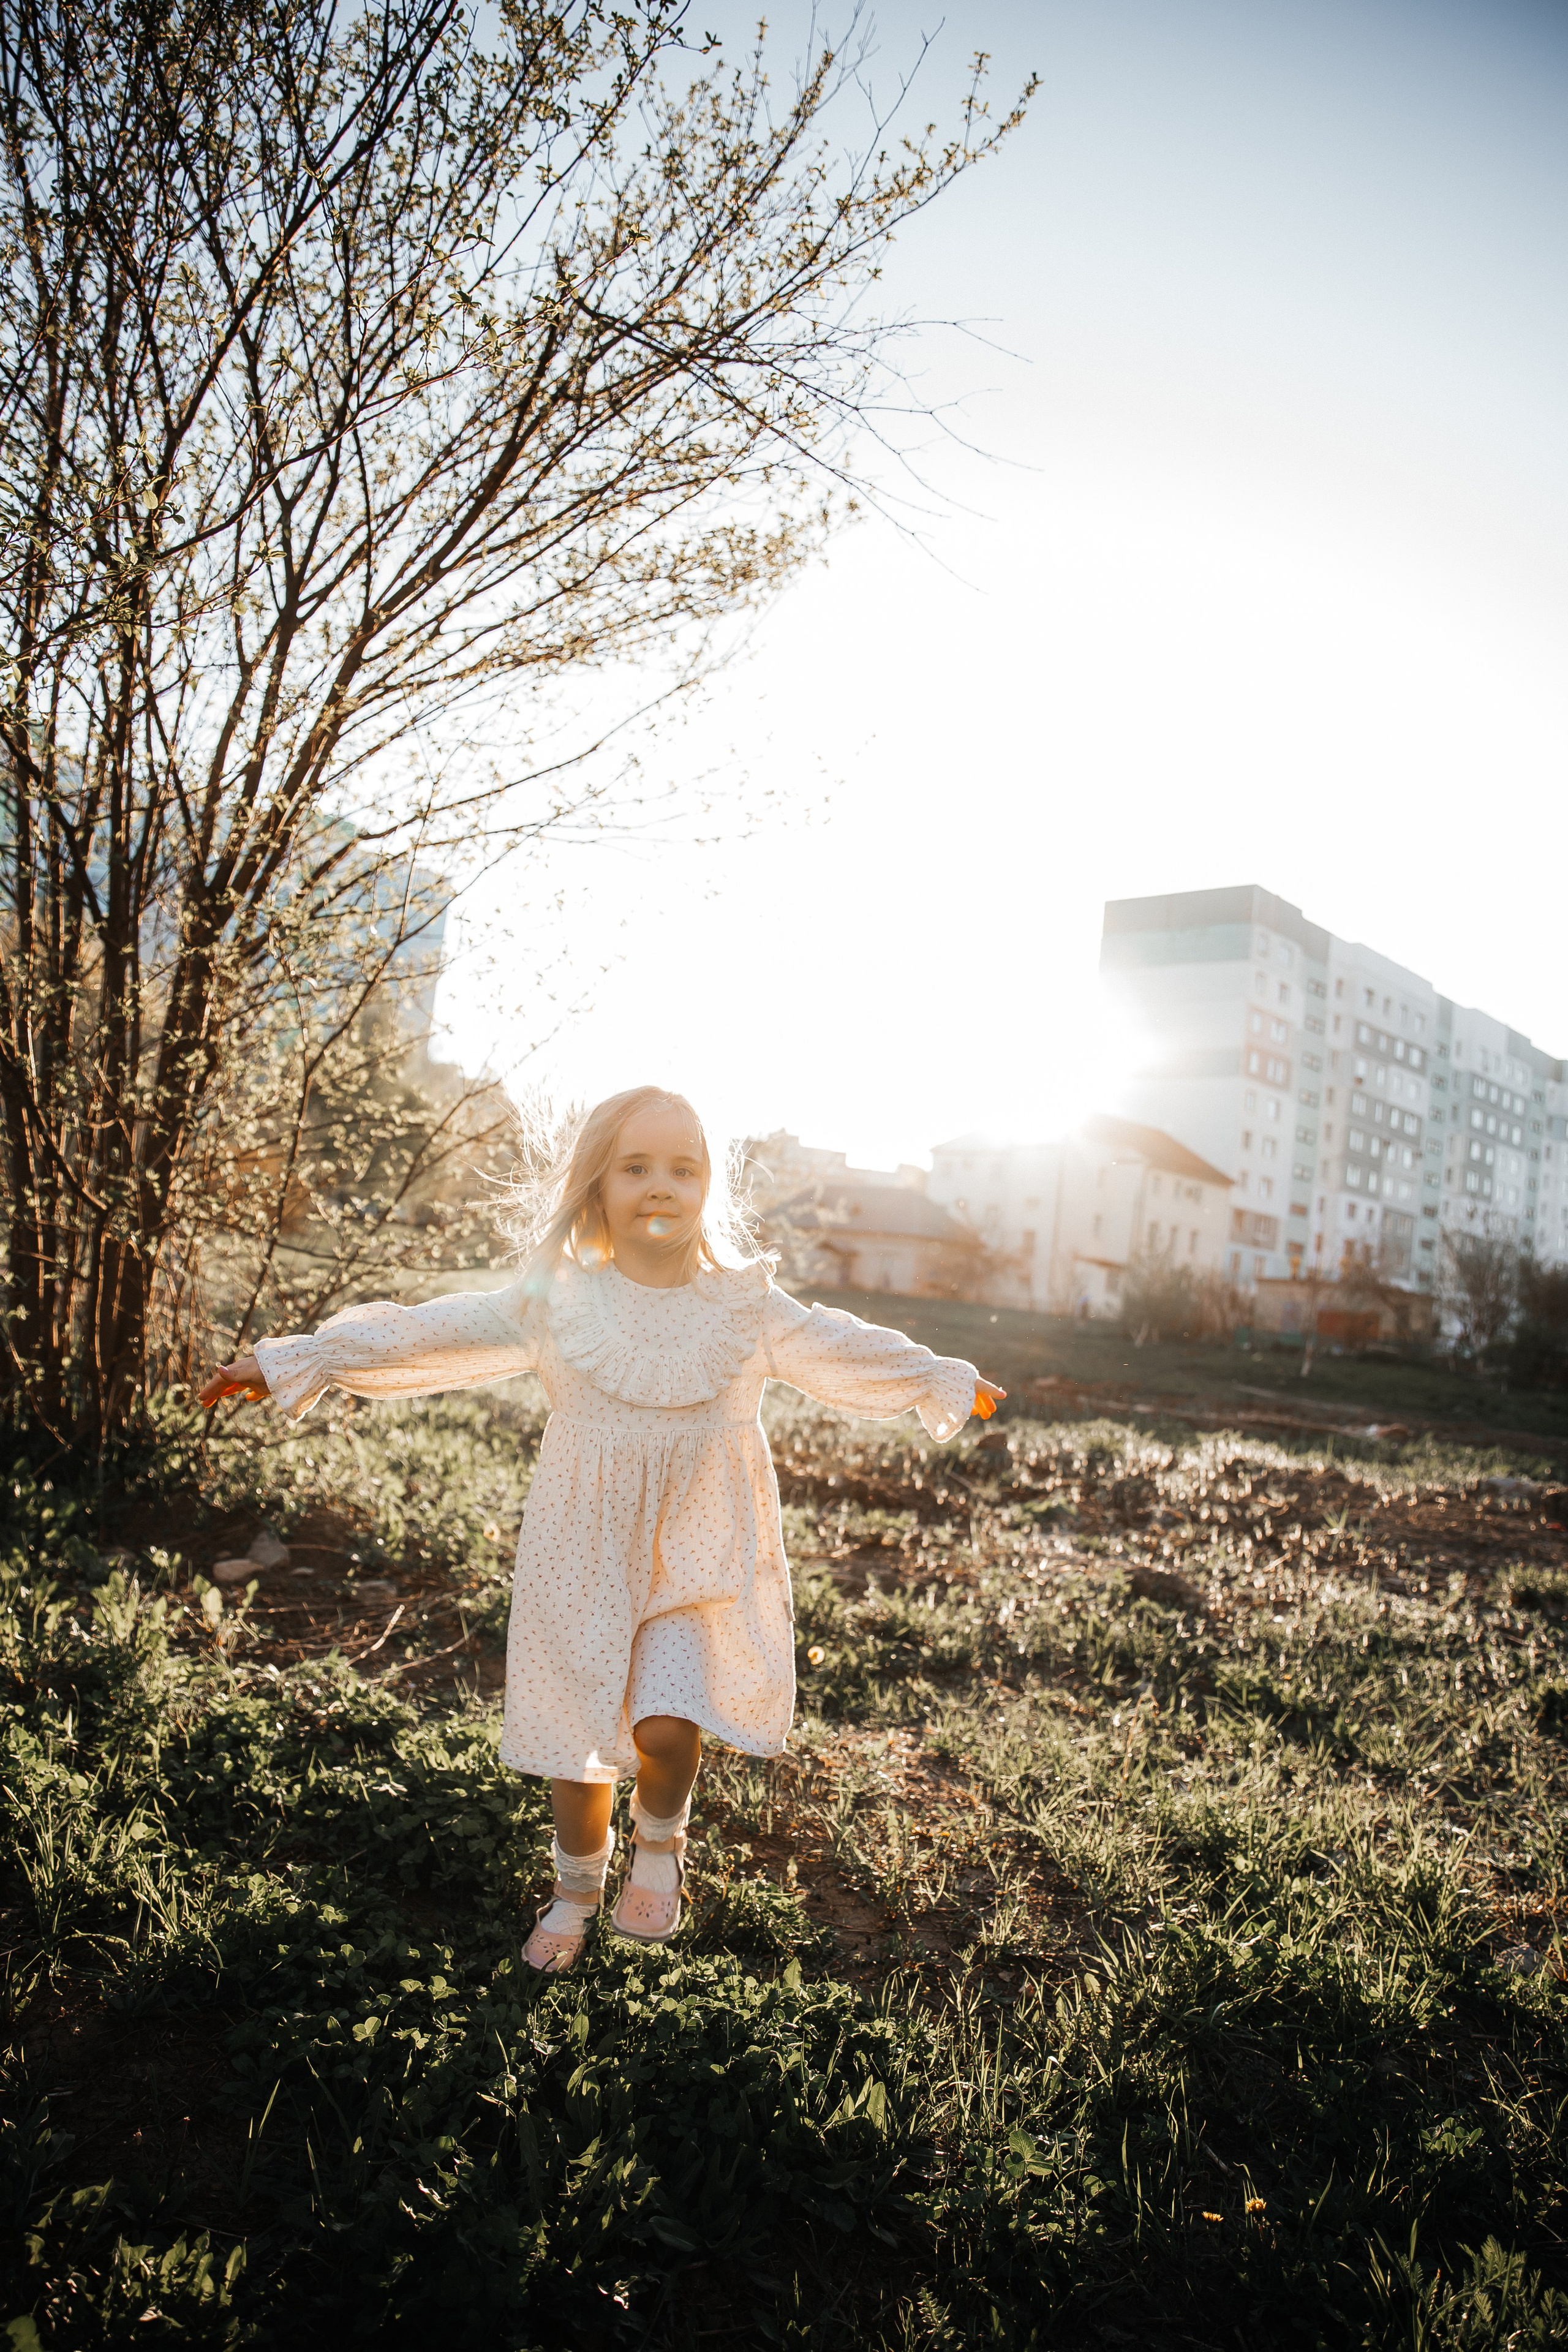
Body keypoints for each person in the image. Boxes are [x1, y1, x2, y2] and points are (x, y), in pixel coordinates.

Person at [202, 1087, 1004, 1973]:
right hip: (581, 1555)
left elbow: (837, 1343)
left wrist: (934, 1375)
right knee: (578, 1749)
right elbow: (430, 1333)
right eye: (636, 1167)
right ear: (597, 1185)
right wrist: (295, 1360)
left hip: (699, 1556)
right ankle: (575, 1889)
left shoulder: (745, 1308)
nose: (661, 1186)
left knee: (669, 1726)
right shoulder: (558, 1303)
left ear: (708, 1188)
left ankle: (659, 1845)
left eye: (684, 1168)